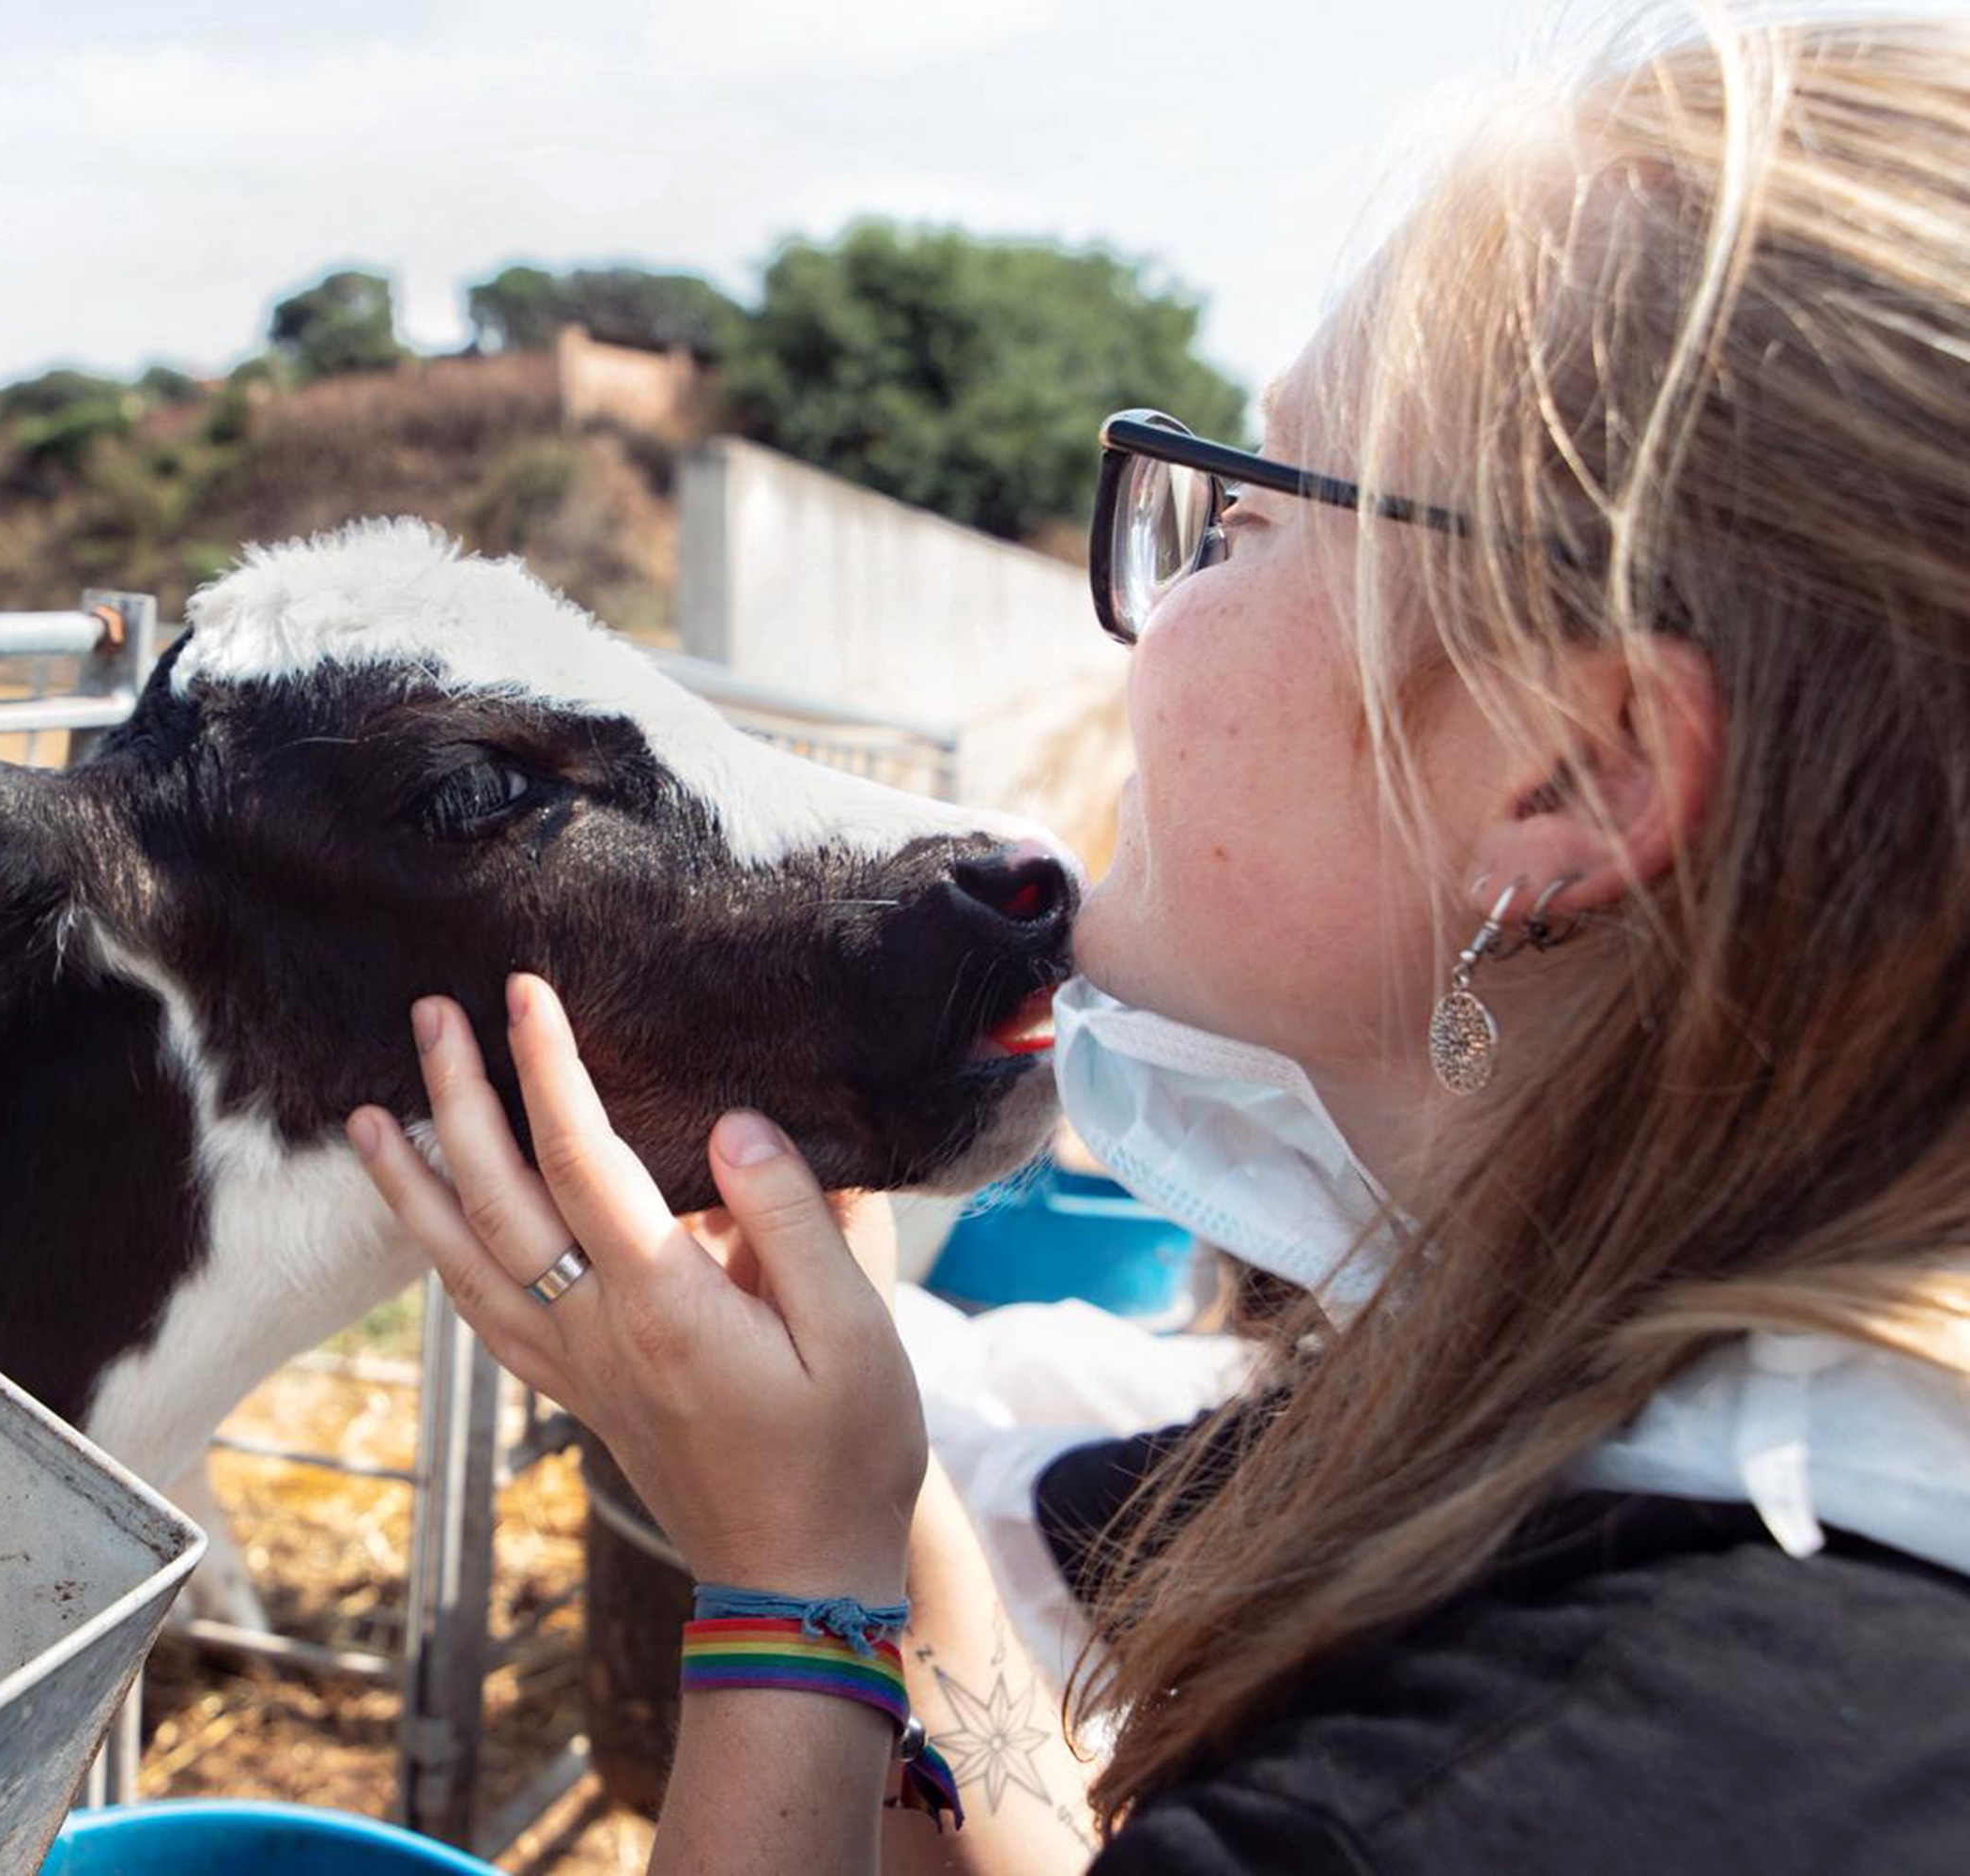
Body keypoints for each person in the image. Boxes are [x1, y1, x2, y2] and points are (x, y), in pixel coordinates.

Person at [344, 10, 1970, 1873]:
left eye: (1250, 518)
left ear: (1576, 770)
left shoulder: (1527, 1799)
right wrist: (863, 1530)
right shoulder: (1753, 1477)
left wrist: (785, 1595)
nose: (1158, 616)